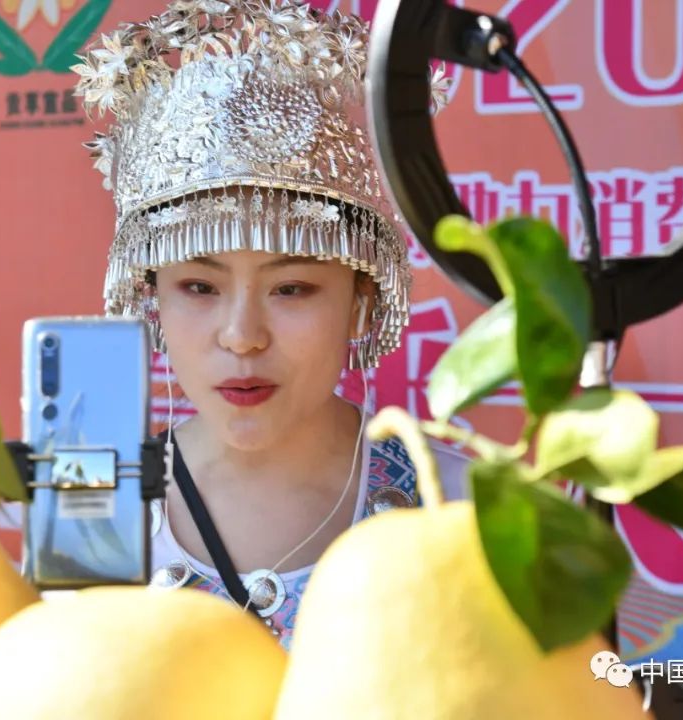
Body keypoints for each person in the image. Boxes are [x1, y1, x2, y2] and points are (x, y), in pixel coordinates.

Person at [74, 0, 465, 648]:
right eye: (199, 287)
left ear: (361, 299)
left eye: (292, 289)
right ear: (152, 298)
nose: (242, 335)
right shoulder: (90, 508)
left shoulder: (457, 505)